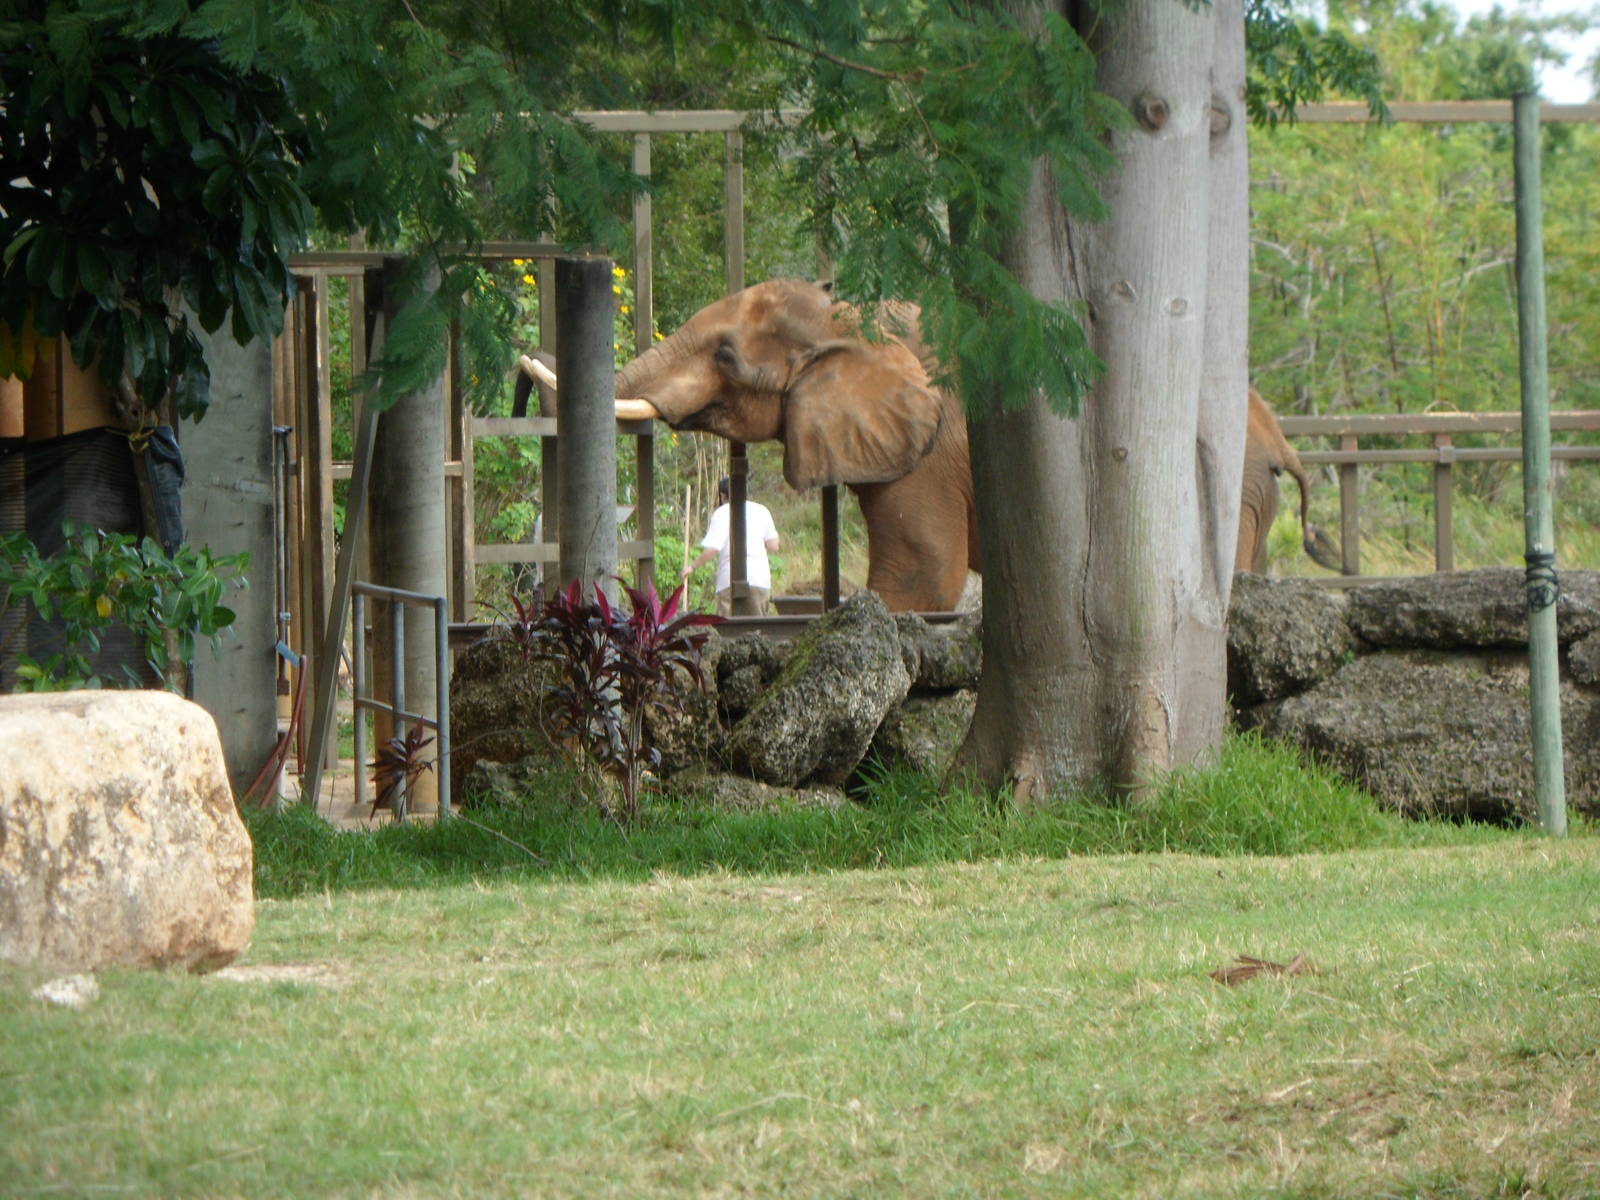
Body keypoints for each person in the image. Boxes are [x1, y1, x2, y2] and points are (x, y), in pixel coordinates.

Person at [681, 477, 780, 616]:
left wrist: (692, 567)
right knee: (758, 629)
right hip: (759, 578)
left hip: (728, 580)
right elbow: (774, 545)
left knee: (727, 631)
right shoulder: (761, 510)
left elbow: (712, 549)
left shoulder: (721, 513)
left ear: (722, 495)